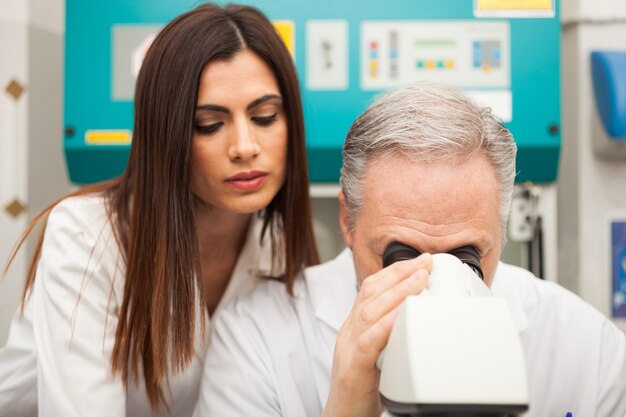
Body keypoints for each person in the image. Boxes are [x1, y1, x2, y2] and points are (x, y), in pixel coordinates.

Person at [194, 82, 626, 417]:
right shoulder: (256, 338)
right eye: (401, 255)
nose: (434, 278)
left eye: (465, 258)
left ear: (502, 227)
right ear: (347, 220)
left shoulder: (585, 345)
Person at [0, 3, 319, 417]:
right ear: (165, 135)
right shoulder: (87, 236)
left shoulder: (272, 244)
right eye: (209, 124)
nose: (245, 147)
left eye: (265, 116)